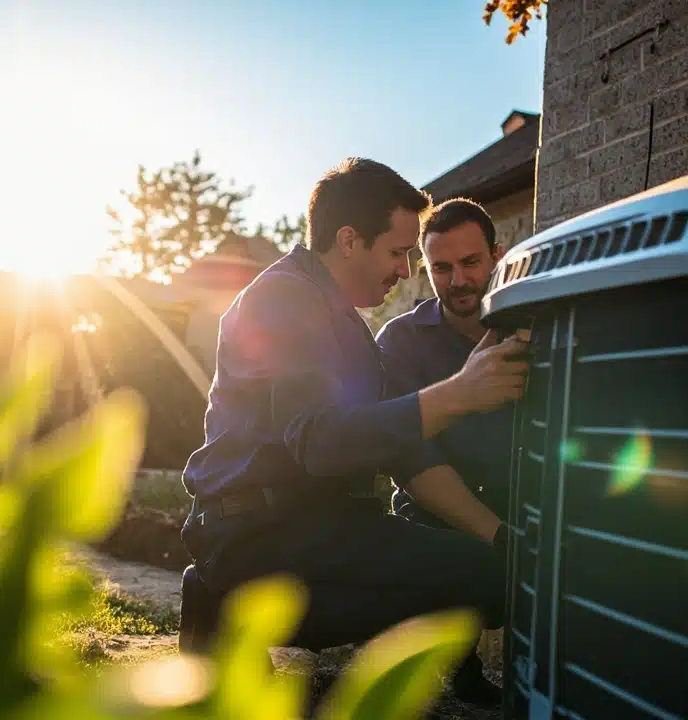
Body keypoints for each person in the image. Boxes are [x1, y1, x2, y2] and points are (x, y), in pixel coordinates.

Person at [177, 158, 529, 706]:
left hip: (323, 522)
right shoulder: (284, 298)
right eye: (397, 252)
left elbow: (401, 448)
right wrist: (459, 393)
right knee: (479, 583)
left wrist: (503, 537)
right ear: (348, 241)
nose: (406, 270)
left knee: (498, 573)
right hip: (261, 529)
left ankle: (229, 598)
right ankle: (229, 601)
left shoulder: (340, 318)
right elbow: (318, 441)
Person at [375, 198, 515, 540]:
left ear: (497, 256)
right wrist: (503, 539)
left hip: (528, 520)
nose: (458, 280)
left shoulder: (533, 329)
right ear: (426, 268)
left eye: (470, 262)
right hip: (433, 533)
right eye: (442, 268)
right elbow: (409, 460)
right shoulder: (398, 341)